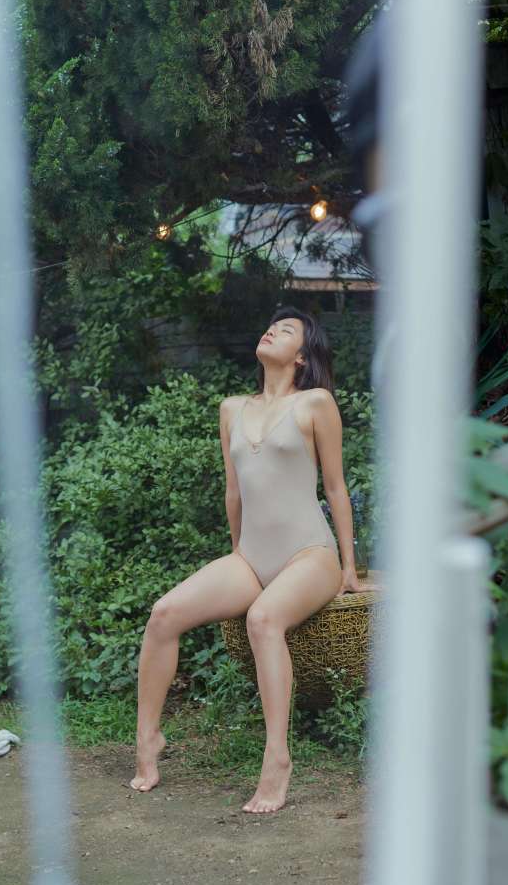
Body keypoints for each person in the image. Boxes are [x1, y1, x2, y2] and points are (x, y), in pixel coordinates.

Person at [130, 305, 363, 812]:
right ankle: (148, 737)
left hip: (310, 554)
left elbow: (335, 487)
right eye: (271, 325)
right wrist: (239, 554)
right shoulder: (232, 409)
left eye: (286, 330)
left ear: (301, 357)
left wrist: (348, 566)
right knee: (164, 614)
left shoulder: (315, 402)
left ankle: (277, 757)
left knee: (262, 619)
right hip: (252, 556)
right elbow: (233, 492)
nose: (272, 330)